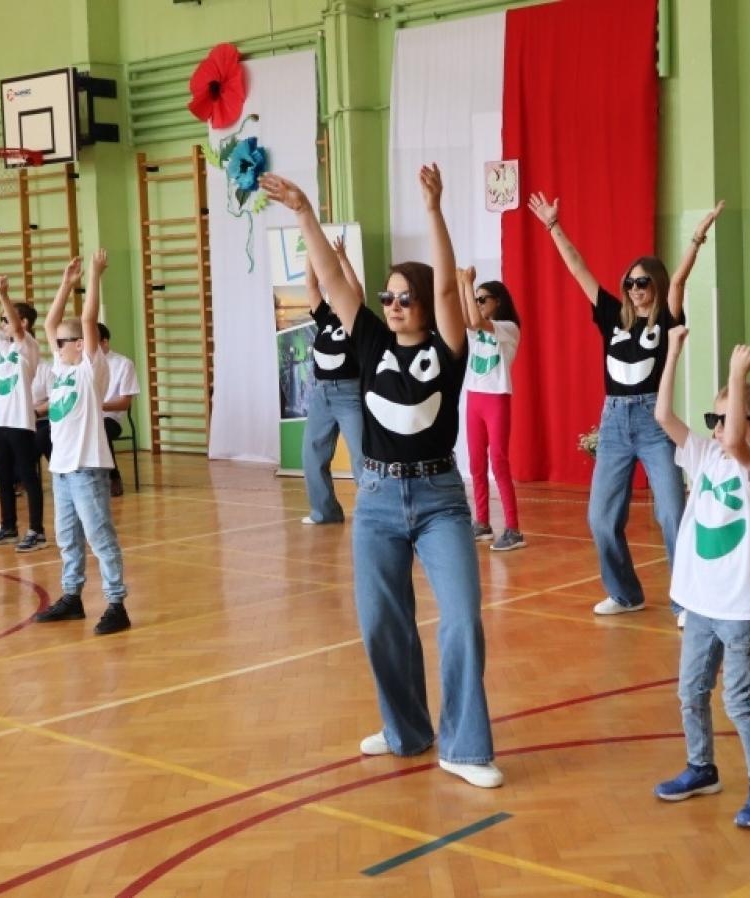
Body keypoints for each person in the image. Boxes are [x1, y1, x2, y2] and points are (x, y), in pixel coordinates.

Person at [263, 165, 502, 789]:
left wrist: (434, 210)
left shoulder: (447, 350)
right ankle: (407, 730)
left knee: (462, 619)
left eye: (405, 297)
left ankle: (466, 747)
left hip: (440, 497)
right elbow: (337, 285)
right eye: (388, 297)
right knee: (380, 623)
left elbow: (450, 292)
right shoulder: (368, 339)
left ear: (423, 305)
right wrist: (305, 213)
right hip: (374, 499)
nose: (393, 306)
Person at [528, 192, 723, 619]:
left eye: (643, 283)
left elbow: (680, 282)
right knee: (600, 519)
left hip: (655, 422)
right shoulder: (612, 317)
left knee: (672, 513)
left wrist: (696, 238)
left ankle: (686, 599)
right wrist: (553, 226)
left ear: (655, 284)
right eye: (630, 284)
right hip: (614, 421)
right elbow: (578, 268)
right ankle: (625, 594)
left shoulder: (667, 320)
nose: (635, 290)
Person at [651, 331, 750, 827]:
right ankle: (701, 768)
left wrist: (737, 376)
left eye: (726, 419)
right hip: (699, 601)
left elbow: (733, 439)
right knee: (690, 691)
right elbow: (664, 417)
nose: (716, 429)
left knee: (738, 698)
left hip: (738, 605)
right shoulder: (705, 455)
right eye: (713, 417)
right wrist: (672, 353)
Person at [33, 249, 132, 635]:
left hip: (87, 468)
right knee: (67, 539)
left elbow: (87, 318)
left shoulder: (92, 370)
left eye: (65, 342)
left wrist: (94, 275)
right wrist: (64, 283)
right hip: (61, 470)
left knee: (99, 537)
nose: (56, 347)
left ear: (81, 344)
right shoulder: (61, 367)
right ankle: (72, 597)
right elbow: (50, 322)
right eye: (57, 343)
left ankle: (116, 602)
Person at [0, 272, 57, 552]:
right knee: (3, 475)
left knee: (28, 474)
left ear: (22, 323)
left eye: (5, 319)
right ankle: (8, 525)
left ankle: (36, 530)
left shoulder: (28, 345)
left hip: (21, 422)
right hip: (1, 422)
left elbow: (13, 325)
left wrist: (2, 295)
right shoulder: (2, 350)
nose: (2, 323)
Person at [456, 268, 524, 551]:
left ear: (498, 301)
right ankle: (482, 522)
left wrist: (466, 282)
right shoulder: (477, 327)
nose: (479, 303)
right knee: (475, 463)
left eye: (483, 299)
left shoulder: (507, 328)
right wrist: (464, 288)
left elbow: (473, 319)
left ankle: (513, 529)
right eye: (477, 299)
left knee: (498, 461)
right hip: (475, 397)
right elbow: (465, 318)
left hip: (496, 398)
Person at [299, 236, 364, 525]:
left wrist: (341, 258)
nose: (337, 299)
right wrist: (313, 252)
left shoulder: (357, 321)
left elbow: (357, 290)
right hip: (322, 393)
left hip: (350, 393)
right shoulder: (325, 319)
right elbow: (311, 286)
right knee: (312, 456)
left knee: (361, 457)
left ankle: (371, 512)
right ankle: (324, 511)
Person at [96, 323, 140, 496]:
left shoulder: (123, 364)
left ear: (105, 342)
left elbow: (124, 404)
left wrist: (97, 406)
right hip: (86, 417)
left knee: (101, 429)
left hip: (110, 418)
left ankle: (113, 477)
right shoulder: (83, 364)